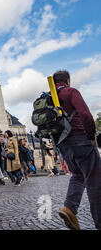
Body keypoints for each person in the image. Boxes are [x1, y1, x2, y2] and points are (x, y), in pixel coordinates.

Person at [49, 71, 101, 230]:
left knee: (78, 175)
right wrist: (92, 135)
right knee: (95, 182)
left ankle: (69, 208)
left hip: (64, 145)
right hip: (81, 140)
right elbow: (85, 114)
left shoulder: (49, 98)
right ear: (68, 80)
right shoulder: (70, 92)